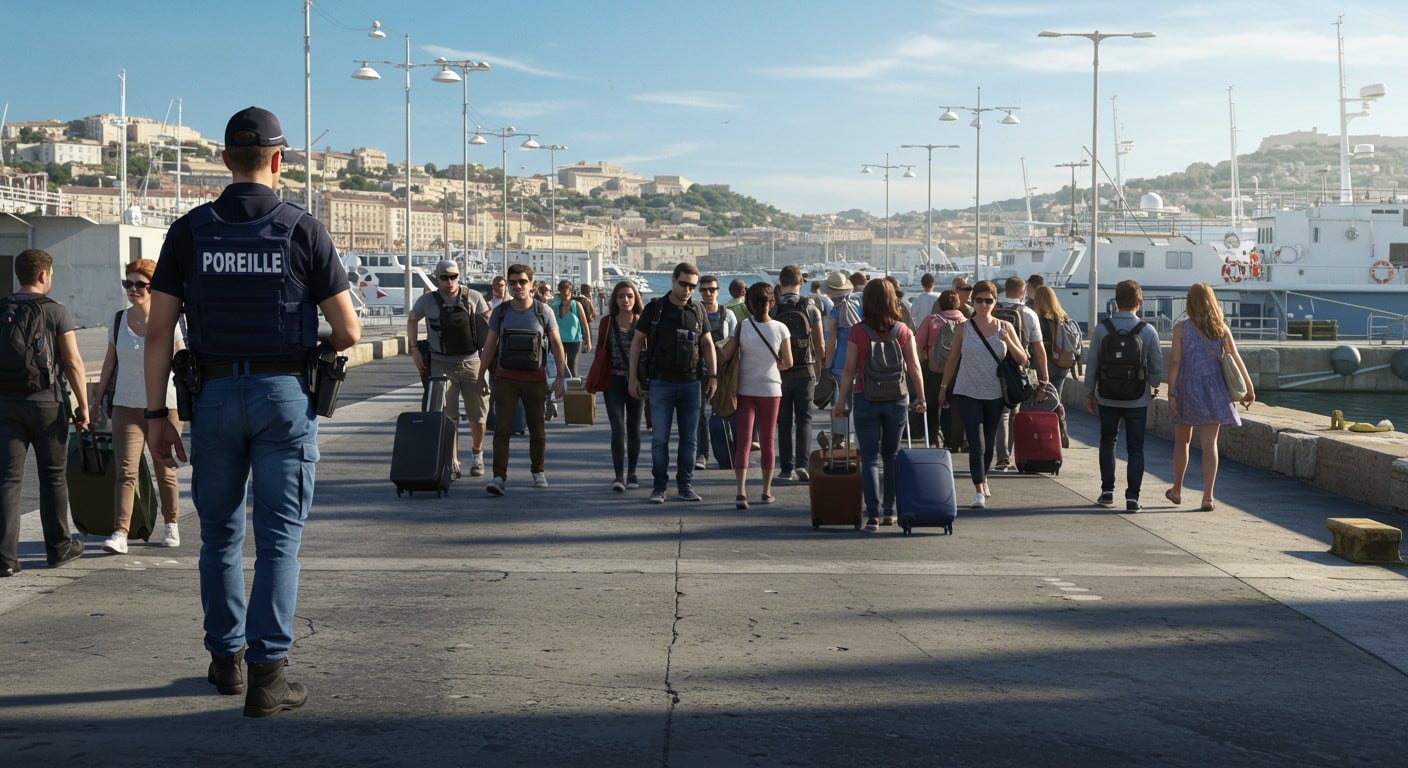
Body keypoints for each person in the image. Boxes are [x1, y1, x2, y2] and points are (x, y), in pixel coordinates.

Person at [143, 106, 361, 717]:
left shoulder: (188, 231)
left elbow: (160, 332)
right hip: (284, 397)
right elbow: (347, 329)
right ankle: (269, 676)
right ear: (278, 159)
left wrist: (157, 412)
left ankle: (225, 661)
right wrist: (309, 344)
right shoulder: (303, 229)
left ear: (223, 160)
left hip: (210, 397)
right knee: (279, 538)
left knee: (218, 535)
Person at [0, 248, 89, 577]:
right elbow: (73, 362)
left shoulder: (2, 308)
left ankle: (5, 558)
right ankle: (58, 548)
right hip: (47, 405)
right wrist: (83, 405)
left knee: (7, 480)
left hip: (6, 405)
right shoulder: (56, 311)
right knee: (53, 477)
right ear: (42, 275)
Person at [91, 258, 184, 553]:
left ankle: (172, 524)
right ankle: (120, 531)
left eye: (139, 284)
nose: (133, 289)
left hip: (166, 406)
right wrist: (95, 402)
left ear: (152, 287)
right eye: (128, 284)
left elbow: (181, 359)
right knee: (125, 471)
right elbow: (108, 365)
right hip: (125, 406)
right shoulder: (117, 320)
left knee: (164, 469)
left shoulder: (167, 320)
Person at [832, 279, 926, 531]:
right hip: (897, 398)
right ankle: (890, 511)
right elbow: (914, 367)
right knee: (892, 456)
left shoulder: (857, 332)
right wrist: (921, 398)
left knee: (870, 459)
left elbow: (849, 370)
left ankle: (872, 515)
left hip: (866, 398)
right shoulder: (903, 331)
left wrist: (841, 403)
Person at [629, 262, 718, 504]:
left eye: (692, 286)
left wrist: (713, 375)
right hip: (661, 384)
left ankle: (685, 485)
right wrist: (633, 377)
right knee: (660, 438)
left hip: (691, 384)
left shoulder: (698, 311)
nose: (688, 290)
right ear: (673, 280)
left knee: (690, 438)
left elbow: (708, 343)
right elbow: (637, 342)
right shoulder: (655, 309)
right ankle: (659, 486)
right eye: (684, 284)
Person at [478, 263, 569, 494]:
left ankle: (538, 471)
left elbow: (557, 346)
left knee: (537, 428)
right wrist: (480, 376)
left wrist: (560, 377)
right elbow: (489, 346)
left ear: (532, 284)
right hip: (505, 378)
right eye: (513, 282)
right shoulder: (501, 311)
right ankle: (499, 477)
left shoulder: (543, 311)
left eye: (522, 282)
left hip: (535, 379)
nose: (517, 286)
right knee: (502, 429)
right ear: (508, 284)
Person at [1166, 282, 1255, 512]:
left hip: (1187, 389)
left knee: (1182, 441)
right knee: (1209, 444)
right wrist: (1248, 386)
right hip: (1215, 390)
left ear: (1189, 303)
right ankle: (1208, 496)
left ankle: (1177, 490)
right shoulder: (1221, 329)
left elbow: (1175, 363)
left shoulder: (1180, 330)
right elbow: (1235, 357)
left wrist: (1172, 393)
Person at [939, 280, 1027, 509]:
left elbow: (1023, 359)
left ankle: (984, 477)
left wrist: (1009, 341)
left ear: (995, 302)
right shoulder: (963, 328)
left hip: (995, 392)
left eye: (989, 300)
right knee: (976, 443)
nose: (983, 304)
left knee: (988, 444)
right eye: (979, 300)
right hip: (967, 390)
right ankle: (978, 488)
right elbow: (952, 359)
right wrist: (943, 388)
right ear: (972, 301)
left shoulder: (1005, 327)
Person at [1082, 279, 1163, 512]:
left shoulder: (1102, 328)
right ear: (1139, 302)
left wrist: (1089, 392)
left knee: (1108, 440)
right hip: (1137, 397)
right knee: (1135, 447)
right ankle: (1132, 497)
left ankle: (1107, 491)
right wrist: (1154, 384)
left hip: (1107, 396)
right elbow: (1156, 365)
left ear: (1115, 302)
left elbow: (1092, 363)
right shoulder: (1147, 331)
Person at [409, 258, 491, 479]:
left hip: (472, 362)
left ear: (459, 276)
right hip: (441, 363)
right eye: (444, 277)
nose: (449, 282)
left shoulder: (474, 297)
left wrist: (489, 360)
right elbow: (412, 319)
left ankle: (477, 454)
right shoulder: (427, 301)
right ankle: (453, 461)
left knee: (478, 415)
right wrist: (414, 348)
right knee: (448, 416)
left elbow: (489, 326)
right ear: (437, 278)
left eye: (453, 276)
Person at [720, 282, 793, 509]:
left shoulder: (742, 327)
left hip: (745, 388)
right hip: (771, 389)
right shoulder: (781, 328)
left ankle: (741, 492)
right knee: (768, 441)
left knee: (742, 443)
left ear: (750, 303)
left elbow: (727, 354)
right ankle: (766, 491)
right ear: (771, 303)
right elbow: (788, 362)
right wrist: (772, 367)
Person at [771, 265, 825, 482]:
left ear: (780, 283)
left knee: (783, 421)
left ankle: (786, 468)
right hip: (806, 368)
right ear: (801, 282)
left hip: (781, 371)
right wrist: (820, 369)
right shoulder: (810, 307)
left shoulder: (774, 309)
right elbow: (820, 343)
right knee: (804, 419)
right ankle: (803, 465)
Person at [591, 281, 645, 492]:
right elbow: (600, 353)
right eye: (621, 296)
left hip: (636, 382)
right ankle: (619, 476)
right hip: (613, 381)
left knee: (634, 428)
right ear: (615, 299)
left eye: (630, 296)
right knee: (618, 428)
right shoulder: (607, 322)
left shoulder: (641, 323)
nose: (626, 300)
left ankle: (632, 473)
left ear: (636, 298)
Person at [992, 275, 1049, 472]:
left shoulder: (993, 310)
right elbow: (1038, 348)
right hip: (1017, 368)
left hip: (992, 365)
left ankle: (1001, 456)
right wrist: (1044, 375)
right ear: (1023, 292)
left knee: (1000, 413)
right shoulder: (1028, 314)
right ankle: (1007, 455)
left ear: (1005, 290)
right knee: (1012, 411)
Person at [695, 274, 737, 470]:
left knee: (725, 413)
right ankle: (702, 454)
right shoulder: (695, 313)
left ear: (718, 291)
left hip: (723, 373)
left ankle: (728, 453)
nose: (708, 293)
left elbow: (735, 342)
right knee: (700, 414)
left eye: (712, 289)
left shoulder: (727, 315)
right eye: (704, 290)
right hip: (699, 371)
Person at [915, 289, 966, 447]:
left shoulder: (931, 320)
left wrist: (923, 359)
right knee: (955, 407)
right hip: (958, 371)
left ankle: (932, 440)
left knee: (932, 406)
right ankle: (954, 442)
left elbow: (918, 344)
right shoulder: (965, 321)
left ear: (939, 303)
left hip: (935, 370)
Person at [1032, 284, 1077, 445]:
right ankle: (1062, 430)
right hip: (1063, 365)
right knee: (1057, 398)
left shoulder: (1040, 319)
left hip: (1047, 363)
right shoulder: (1064, 317)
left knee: (1045, 400)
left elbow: (1037, 344)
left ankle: (1049, 434)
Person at [550, 279, 592, 378]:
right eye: (563, 293)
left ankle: (573, 390)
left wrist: (588, 341)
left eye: (568, 293)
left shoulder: (576, 305)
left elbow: (584, 324)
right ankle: (561, 389)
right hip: (559, 341)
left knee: (572, 366)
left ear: (571, 292)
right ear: (559, 292)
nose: (565, 297)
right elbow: (550, 324)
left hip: (574, 340)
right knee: (560, 366)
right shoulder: (554, 305)